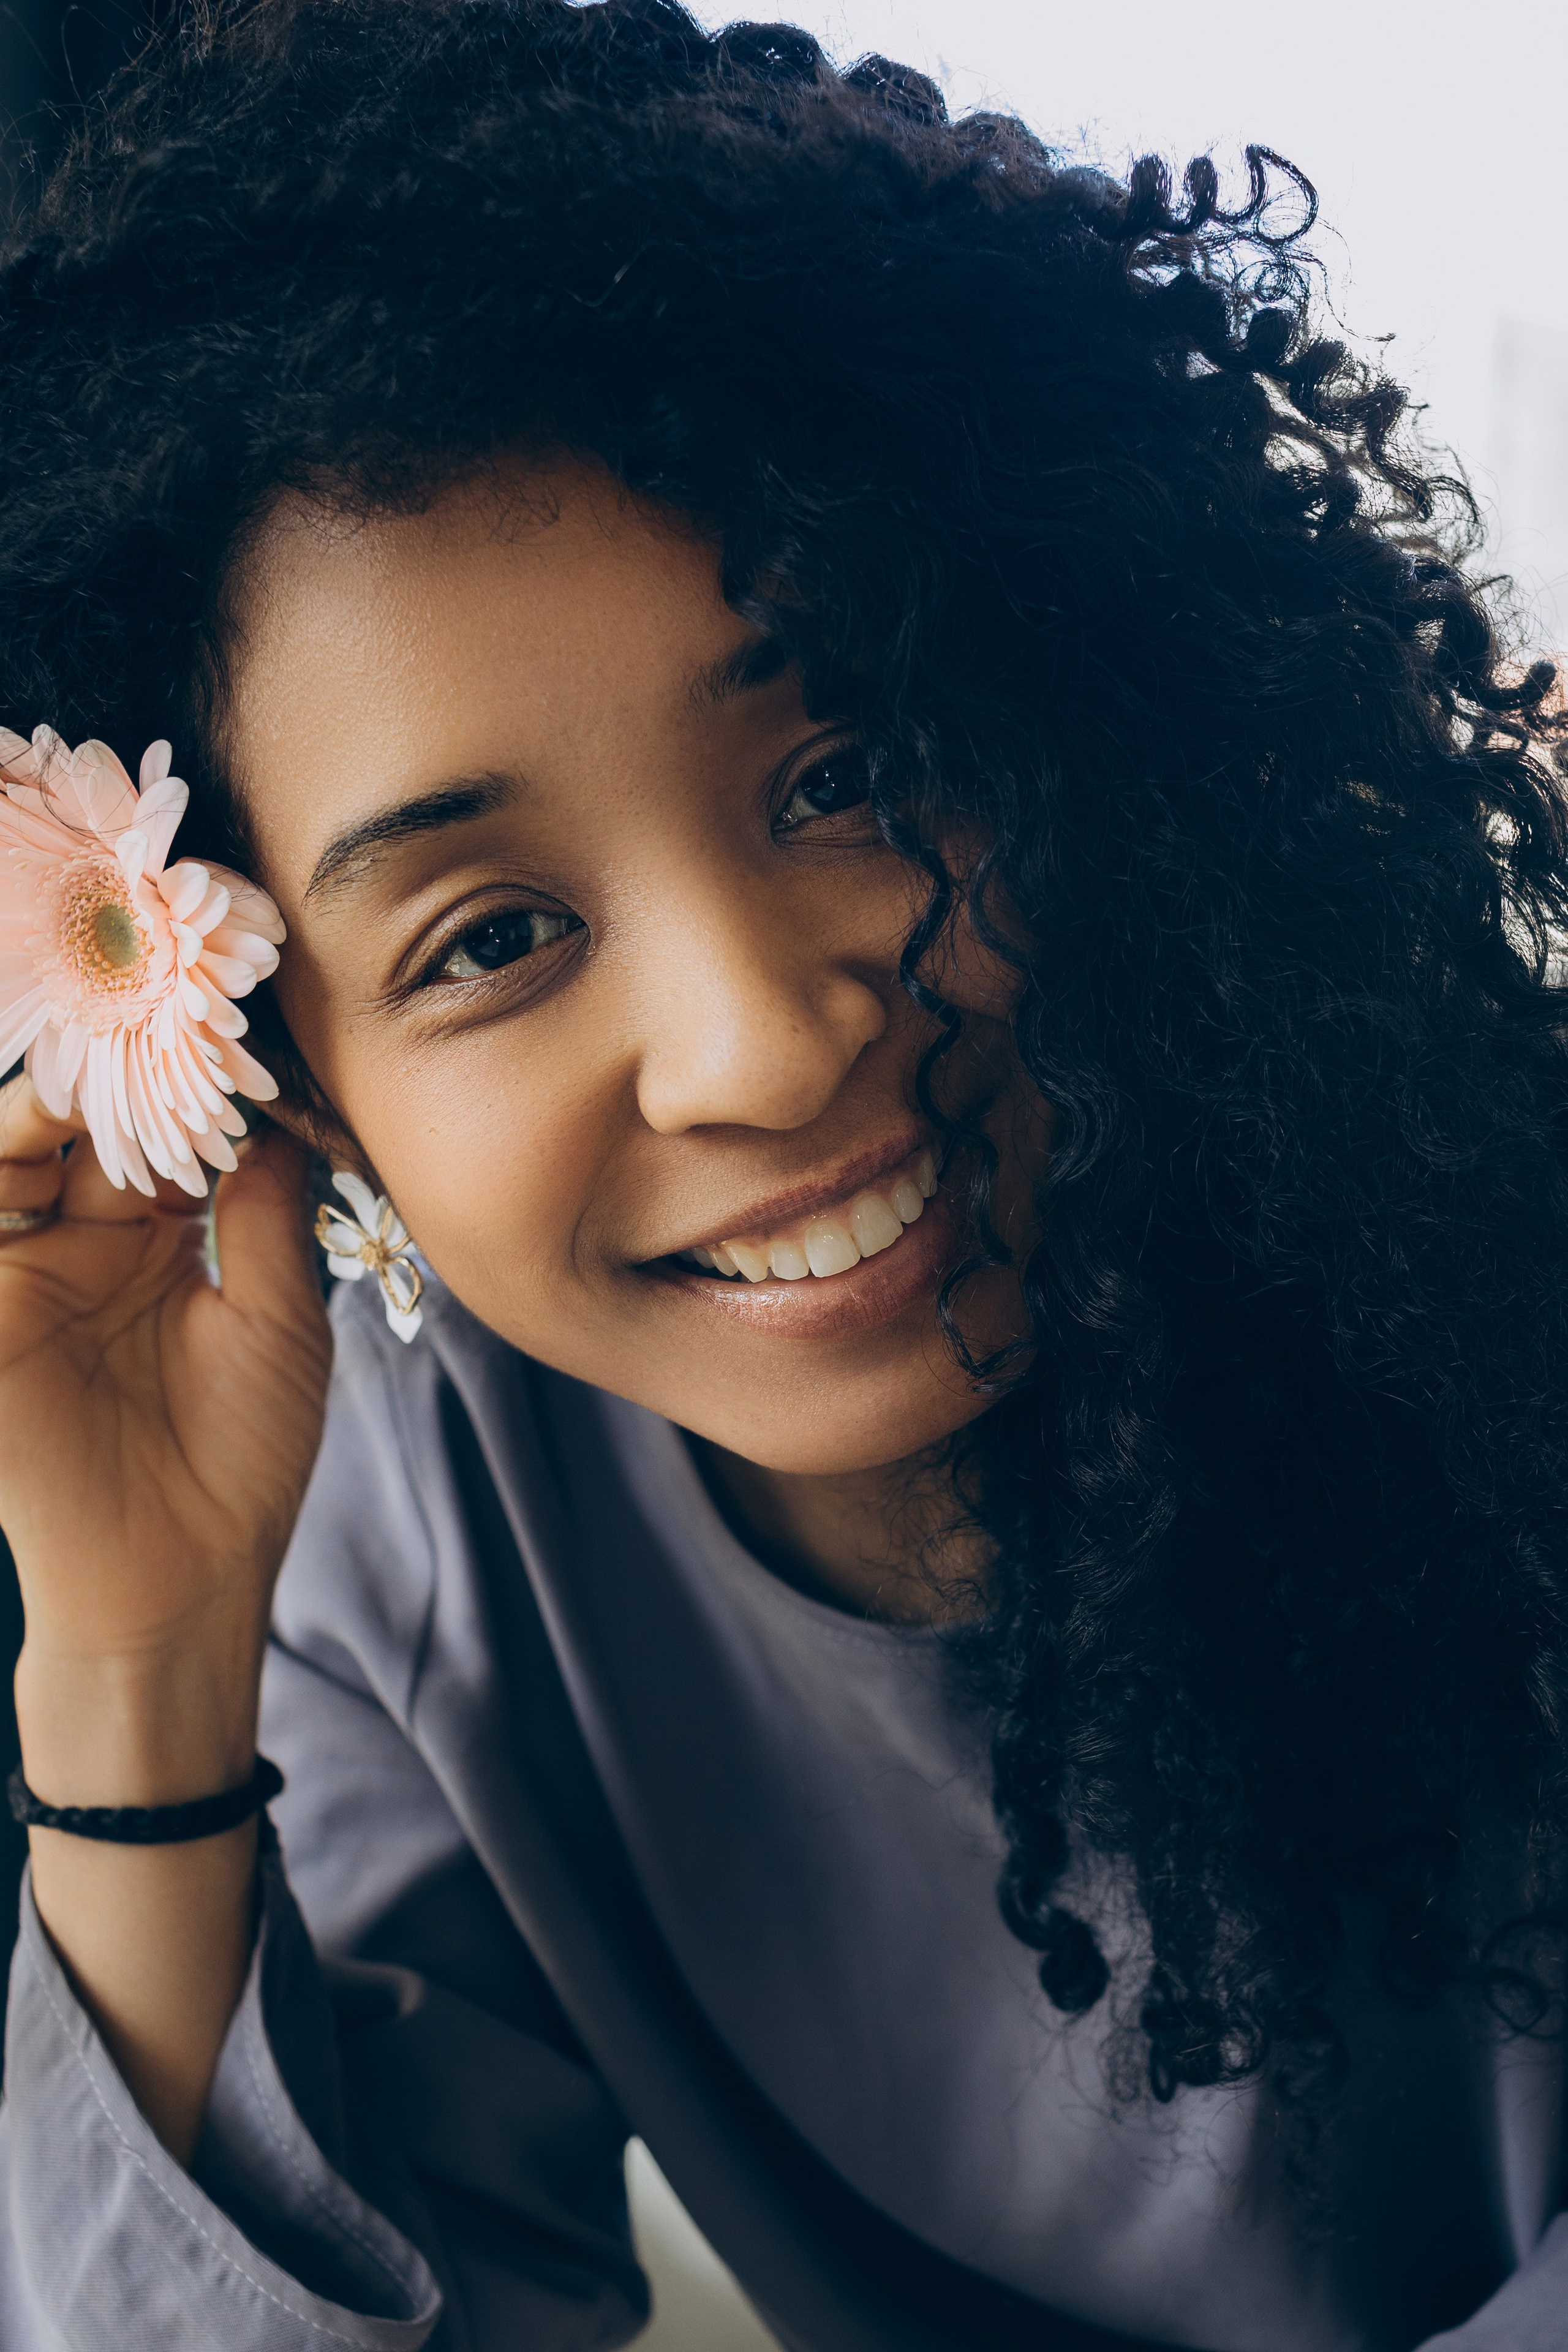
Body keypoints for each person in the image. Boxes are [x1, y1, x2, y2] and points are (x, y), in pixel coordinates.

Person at [0, 2, 1563, 2343]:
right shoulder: (414, 1543)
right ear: (291, 1088)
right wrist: (134, 1675)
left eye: (852, 770)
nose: (761, 1042)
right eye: (491, 940)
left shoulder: (1489, 1244)